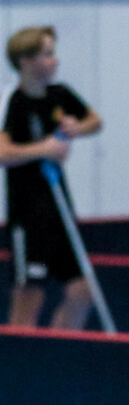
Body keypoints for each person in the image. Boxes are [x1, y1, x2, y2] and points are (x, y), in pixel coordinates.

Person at [1, 26, 102, 330]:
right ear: (25, 61)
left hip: (59, 211)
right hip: (28, 216)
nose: (55, 60)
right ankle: (18, 357)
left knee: (82, 290)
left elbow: (95, 121)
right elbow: (3, 153)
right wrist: (43, 149)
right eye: (47, 54)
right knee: (30, 296)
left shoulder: (59, 95)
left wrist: (76, 128)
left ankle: (60, 350)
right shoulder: (13, 101)